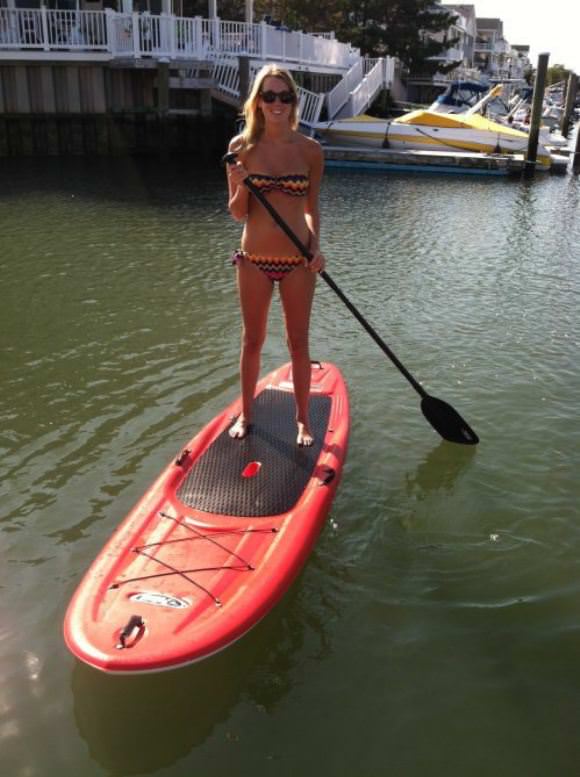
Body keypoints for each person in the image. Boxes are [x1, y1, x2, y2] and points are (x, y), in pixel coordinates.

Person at [226, 64, 325, 447]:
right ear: (258, 102)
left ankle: (303, 421)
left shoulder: (311, 150)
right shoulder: (241, 148)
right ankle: (247, 416)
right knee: (252, 340)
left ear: (294, 101)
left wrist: (315, 247)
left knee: (298, 343)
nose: (277, 103)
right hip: (254, 259)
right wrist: (238, 185)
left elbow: (311, 208)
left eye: (285, 96)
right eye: (269, 96)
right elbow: (237, 212)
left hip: (298, 262)